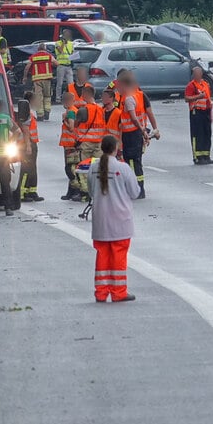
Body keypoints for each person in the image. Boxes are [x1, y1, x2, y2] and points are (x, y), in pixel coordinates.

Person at [88, 135, 140, 303]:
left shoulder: (93, 168)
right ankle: (119, 292)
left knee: (102, 256)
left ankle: (101, 292)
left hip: (100, 220)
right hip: (120, 221)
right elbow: (135, 192)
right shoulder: (123, 168)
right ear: (116, 148)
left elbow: (90, 190)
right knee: (119, 257)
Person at [118, 72, 151, 197]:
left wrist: (143, 131)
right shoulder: (133, 96)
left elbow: (133, 117)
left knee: (132, 163)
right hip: (132, 134)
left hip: (131, 135)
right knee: (135, 162)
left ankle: (137, 189)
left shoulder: (128, 99)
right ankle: (138, 189)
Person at [17, 91, 44, 203]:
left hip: (32, 142)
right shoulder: (26, 112)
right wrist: (28, 145)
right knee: (26, 169)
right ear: (30, 100)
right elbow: (25, 128)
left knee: (32, 168)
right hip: (27, 143)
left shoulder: (29, 111)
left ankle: (32, 191)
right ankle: (23, 193)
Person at [185, 66, 213, 165]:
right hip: (196, 112)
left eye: (199, 73)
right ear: (193, 75)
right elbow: (187, 98)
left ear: (201, 74)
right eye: (195, 73)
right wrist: (198, 96)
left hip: (206, 111)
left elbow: (208, 99)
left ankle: (206, 155)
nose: (197, 75)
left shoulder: (205, 84)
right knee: (198, 134)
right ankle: (198, 157)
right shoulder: (191, 85)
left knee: (207, 133)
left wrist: (210, 114)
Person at [59, 91, 84, 202]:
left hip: (70, 144)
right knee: (72, 167)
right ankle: (71, 192)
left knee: (70, 168)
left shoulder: (70, 112)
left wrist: (64, 119)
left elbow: (71, 127)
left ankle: (77, 189)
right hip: (70, 143)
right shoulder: (72, 111)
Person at [24, 42, 56, 120]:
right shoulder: (49, 56)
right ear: (45, 49)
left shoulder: (33, 57)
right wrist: (51, 65)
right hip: (47, 79)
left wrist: (25, 76)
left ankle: (40, 115)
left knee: (38, 97)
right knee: (47, 96)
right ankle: (47, 111)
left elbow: (27, 67)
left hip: (37, 80)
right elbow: (56, 63)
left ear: (38, 49)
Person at [54, 29, 75, 101]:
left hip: (68, 66)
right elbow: (60, 51)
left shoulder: (71, 44)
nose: (67, 36)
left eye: (68, 35)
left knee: (71, 83)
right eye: (66, 35)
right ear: (63, 35)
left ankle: (72, 98)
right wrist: (63, 43)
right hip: (61, 65)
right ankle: (58, 98)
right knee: (59, 83)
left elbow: (72, 53)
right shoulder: (57, 43)